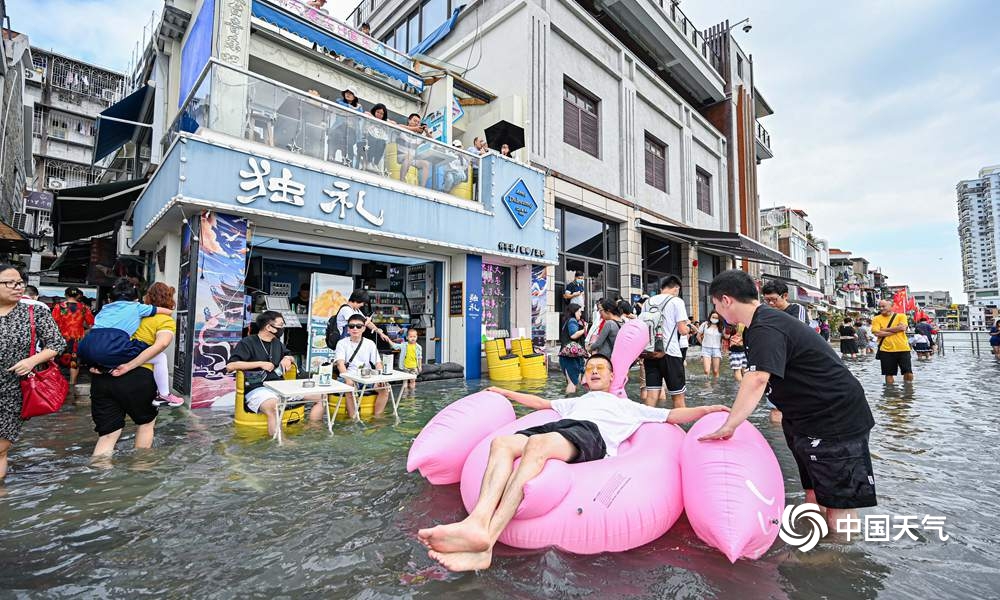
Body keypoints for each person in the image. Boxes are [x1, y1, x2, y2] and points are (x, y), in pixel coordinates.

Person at [417, 353, 729, 572]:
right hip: (563, 429)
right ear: (583, 378)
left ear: (611, 377)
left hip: (592, 437)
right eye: (589, 368)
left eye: (600, 368)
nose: (594, 371)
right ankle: (477, 522)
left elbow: (672, 415)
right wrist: (504, 391)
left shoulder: (629, 407)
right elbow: (540, 403)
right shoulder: (575, 401)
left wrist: (708, 410)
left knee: (537, 445)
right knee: (502, 443)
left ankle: (487, 543)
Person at [699, 270, 877, 540]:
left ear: (725, 300)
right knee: (814, 488)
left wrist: (730, 425)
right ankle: (812, 544)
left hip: (834, 416)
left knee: (839, 500)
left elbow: (757, 379)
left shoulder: (766, 326)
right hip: (805, 417)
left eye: (714, 304)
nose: (716, 310)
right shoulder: (758, 326)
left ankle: (843, 560)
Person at [91, 282, 180, 456]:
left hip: (103, 376)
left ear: (146, 298)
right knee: (145, 425)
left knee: (108, 434)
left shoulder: (124, 315)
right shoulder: (163, 319)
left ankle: (99, 477)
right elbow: (162, 344)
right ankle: (141, 472)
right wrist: (130, 366)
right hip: (138, 378)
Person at [0, 265, 65, 481]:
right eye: (10, 283)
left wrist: (31, 361)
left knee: (1, 445)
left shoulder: (33, 311)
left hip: (15, 390)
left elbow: (57, 343)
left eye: (20, 282)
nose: (17, 287)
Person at [77, 278, 179, 406]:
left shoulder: (105, 309)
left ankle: (104, 368)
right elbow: (162, 343)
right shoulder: (141, 310)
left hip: (87, 346)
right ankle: (164, 395)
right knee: (160, 356)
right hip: (130, 368)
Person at [227, 311, 326, 437]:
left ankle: (312, 428)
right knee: (274, 406)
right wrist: (260, 364)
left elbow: (289, 355)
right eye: (281, 325)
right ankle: (281, 442)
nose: (282, 328)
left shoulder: (277, 343)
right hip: (257, 388)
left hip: (279, 386)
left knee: (321, 397)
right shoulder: (247, 342)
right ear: (269, 327)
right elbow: (230, 366)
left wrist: (287, 358)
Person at [641, 275, 690, 408]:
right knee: (678, 396)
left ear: (662, 287)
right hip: (671, 353)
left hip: (650, 353)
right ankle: (680, 427)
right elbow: (682, 330)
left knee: (651, 395)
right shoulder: (676, 301)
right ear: (676, 288)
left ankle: (646, 426)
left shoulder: (647, 302)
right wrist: (688, 328)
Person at [334, 313, 390, 418]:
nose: (355, 329)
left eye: (358, 326)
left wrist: (380, 378)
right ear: (348, 329)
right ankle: (353, 419)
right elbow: (340, 364)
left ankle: (377, 417)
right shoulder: (342, 343)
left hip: (368, 377)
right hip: (349, 376)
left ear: (364, 328)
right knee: (349, 388)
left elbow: (378, 363)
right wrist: (347, 378)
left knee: (384, 387)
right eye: (351, 326)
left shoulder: (370, 343)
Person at [51, 286, 95, 395]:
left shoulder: (58, 307)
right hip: (77, 339)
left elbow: (53, 323)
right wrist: (84, 332)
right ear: (78, 296)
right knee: (74, 363)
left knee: (57, 362)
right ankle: (72, 385)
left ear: (66, 295)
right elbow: (92, 324)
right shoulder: (84, 308)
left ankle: (57, 386)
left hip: (62, 338)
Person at [871, 300, 913, 384]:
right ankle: (890, 394)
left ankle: (908, 391)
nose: (881, 308)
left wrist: (883, 330)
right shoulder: (876, 318)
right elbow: (876, 333)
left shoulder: (901, 316)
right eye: (880, 307)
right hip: (886, 350)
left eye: (883, 306)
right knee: (889, 374)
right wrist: (895, 330)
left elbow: (903, 328)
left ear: (891, 306)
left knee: (908, 372)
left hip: (903, 348)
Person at [397, 113, 432, 187]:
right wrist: (413, 129)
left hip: (411, 159)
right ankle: (402, 181)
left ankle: (422, 187)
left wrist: (426, 132)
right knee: (409, 157)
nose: (416, 123)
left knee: (426, 163)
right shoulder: (403, 130)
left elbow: (431, 141)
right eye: (414, 121)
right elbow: (397, 126)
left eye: (418, 122)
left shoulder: (418, 137)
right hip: (400, 156)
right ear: (409, 120)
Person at [558, 304, 587, 394]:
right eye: (579, 312)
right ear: (574, 312)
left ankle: (572, 400)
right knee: (572, 383)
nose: (580, 314)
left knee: (574, 381)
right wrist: (584, 330)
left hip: (566, 355)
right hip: (570, 357)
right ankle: (569, 402)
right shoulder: (572, 321)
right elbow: (573, 335)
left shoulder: (567, 321)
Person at [360, 103, 391, 171]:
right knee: (373, 140)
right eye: (378, 112)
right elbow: (366, 113)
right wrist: (376, 120)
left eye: (381, 114)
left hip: (376, 144)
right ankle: (369, 162)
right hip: (364, 145)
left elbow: (393, 123)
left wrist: (384, 121)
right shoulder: (369, 116)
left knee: (382, 142)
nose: (379, 115)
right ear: (374, 111)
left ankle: (375, 163)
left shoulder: (383, 123)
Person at [697, 311, 723, 377]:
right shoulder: (705, 324)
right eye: (713, 317)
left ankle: (716, 386)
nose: (714, 319)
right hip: (706, 349)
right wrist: (702, 344)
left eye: (716, 318)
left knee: (715, 371)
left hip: (717, 349)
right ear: (710, 317)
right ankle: (707, 386)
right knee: (706, 371)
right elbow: (698, 336)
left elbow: (725, 337)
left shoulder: (721, 326)